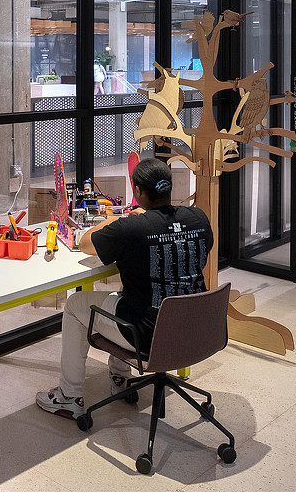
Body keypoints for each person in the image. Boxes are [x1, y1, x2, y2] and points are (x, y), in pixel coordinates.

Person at [36, 158, 213, 419]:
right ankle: (120, 378)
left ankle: (69, 396)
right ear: (169, 188)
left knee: (75, 305)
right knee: (127, 296)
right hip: (196, 328)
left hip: (148, 336)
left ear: (138, 192)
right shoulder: (198, 217)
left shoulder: (133, 227)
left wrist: (117, 221)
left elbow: (85, 243)